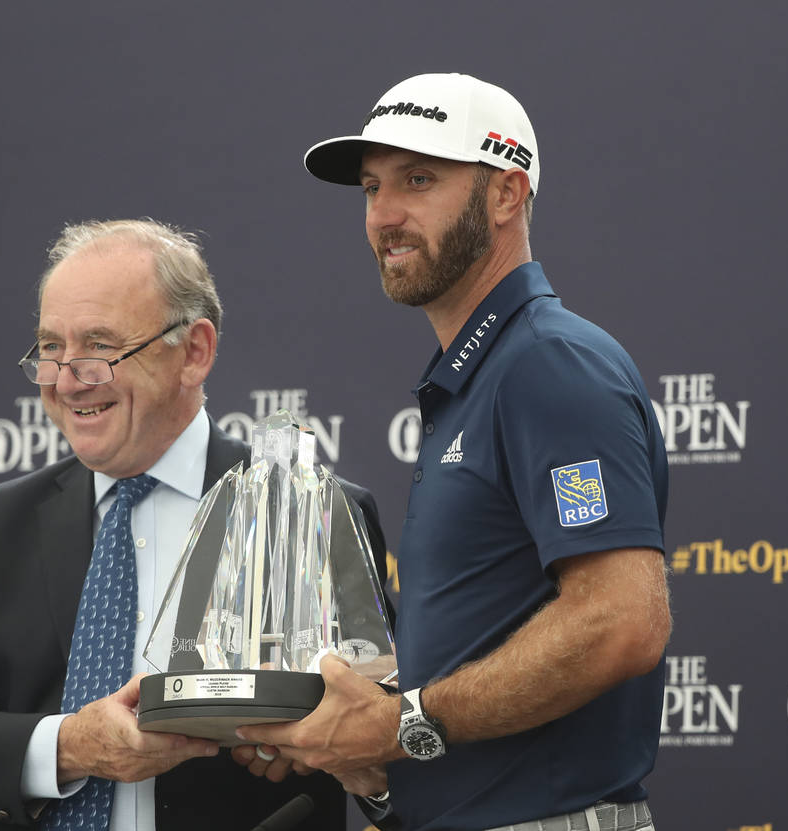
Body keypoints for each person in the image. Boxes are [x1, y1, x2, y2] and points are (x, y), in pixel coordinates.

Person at [237, 73, 670, 831]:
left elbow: (622, 621)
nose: (385, 215)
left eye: (420, 179)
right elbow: (490, 634)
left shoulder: (547, 365)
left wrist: (400, 723)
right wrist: (350, 717)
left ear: (506, 195)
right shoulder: (486, 372)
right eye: (373, 188)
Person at [0, 218, 389, 830]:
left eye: (99, 346)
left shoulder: (305, 510)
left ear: (194, 352)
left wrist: (330, 751)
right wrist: (70, 745)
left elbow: (385, 746)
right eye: (51, 348)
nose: (68, 380)